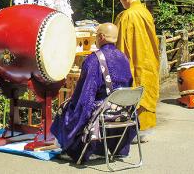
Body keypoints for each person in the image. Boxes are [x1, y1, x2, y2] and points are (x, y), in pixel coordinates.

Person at [51, 23, 134, 162]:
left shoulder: (94, 60)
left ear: (101, 37)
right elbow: (129, 83)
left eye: (96, 35)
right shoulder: (124, 57)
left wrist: (73, 104)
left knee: (66, 109)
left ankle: (79, 149)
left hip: (103, 111)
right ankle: (117, 148)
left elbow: (85, 95)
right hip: (124, 109)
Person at [115, 0, 159, 140]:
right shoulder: (145, 12)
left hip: (135, 62)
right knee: (147, 89)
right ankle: (146, 128)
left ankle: (134, 130)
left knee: (135, 89)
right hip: (148, 61)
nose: (120, 1)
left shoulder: (127, 16)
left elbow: (119, 45)